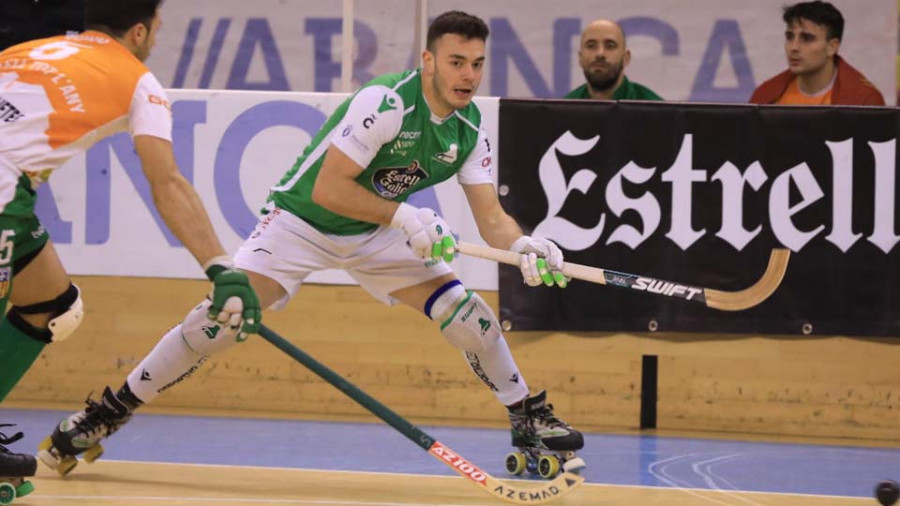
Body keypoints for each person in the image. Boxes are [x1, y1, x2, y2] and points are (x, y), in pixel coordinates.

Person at [39, 10, 586, 479]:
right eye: (456, 62)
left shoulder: (469, 130)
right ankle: (109, 412)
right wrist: (405, 215)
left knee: (473, 318)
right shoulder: (386, 102)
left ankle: (526, 417)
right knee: (220, 319)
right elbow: (329, 188)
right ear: (428, 61)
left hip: (376, 235)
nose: (468, 75)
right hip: (300, 224)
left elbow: (492, 219)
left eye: (476, 63)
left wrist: (527, 246)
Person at [0, 0, 261, 494]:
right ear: (140, 32)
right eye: (158, 30)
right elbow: (167, 183)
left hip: (14, 198)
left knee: (53, 304)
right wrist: (222, 268)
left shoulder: (28, 48)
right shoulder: (138, 81)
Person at [749, 1, 884, 105]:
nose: (793, 47)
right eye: (790, 37)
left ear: (832, 47)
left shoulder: (864, 100)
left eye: (807, 38)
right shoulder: (766, 95)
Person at [564, 19, 663, 101]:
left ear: (626, 58)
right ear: (580, 58)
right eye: (591, 46)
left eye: (610, 46)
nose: (600, 53)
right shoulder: (563, 110)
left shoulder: (655, 110)